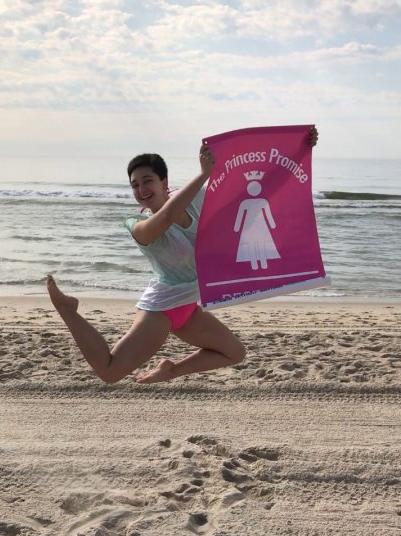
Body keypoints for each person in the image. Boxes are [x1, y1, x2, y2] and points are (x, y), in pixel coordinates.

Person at [47, 126, 318, 385]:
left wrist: (299, 151)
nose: (141, 190)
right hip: (162, 308)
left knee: (235, 352)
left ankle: (171, 370)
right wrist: (203, 175)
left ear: (164, 182)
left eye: (147, 181)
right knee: (110, 370)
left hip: (189, 306)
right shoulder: (136, 224)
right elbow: (165, 216)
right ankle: (68, 310)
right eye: (134, 185)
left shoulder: (197, 199)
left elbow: (259, 187)